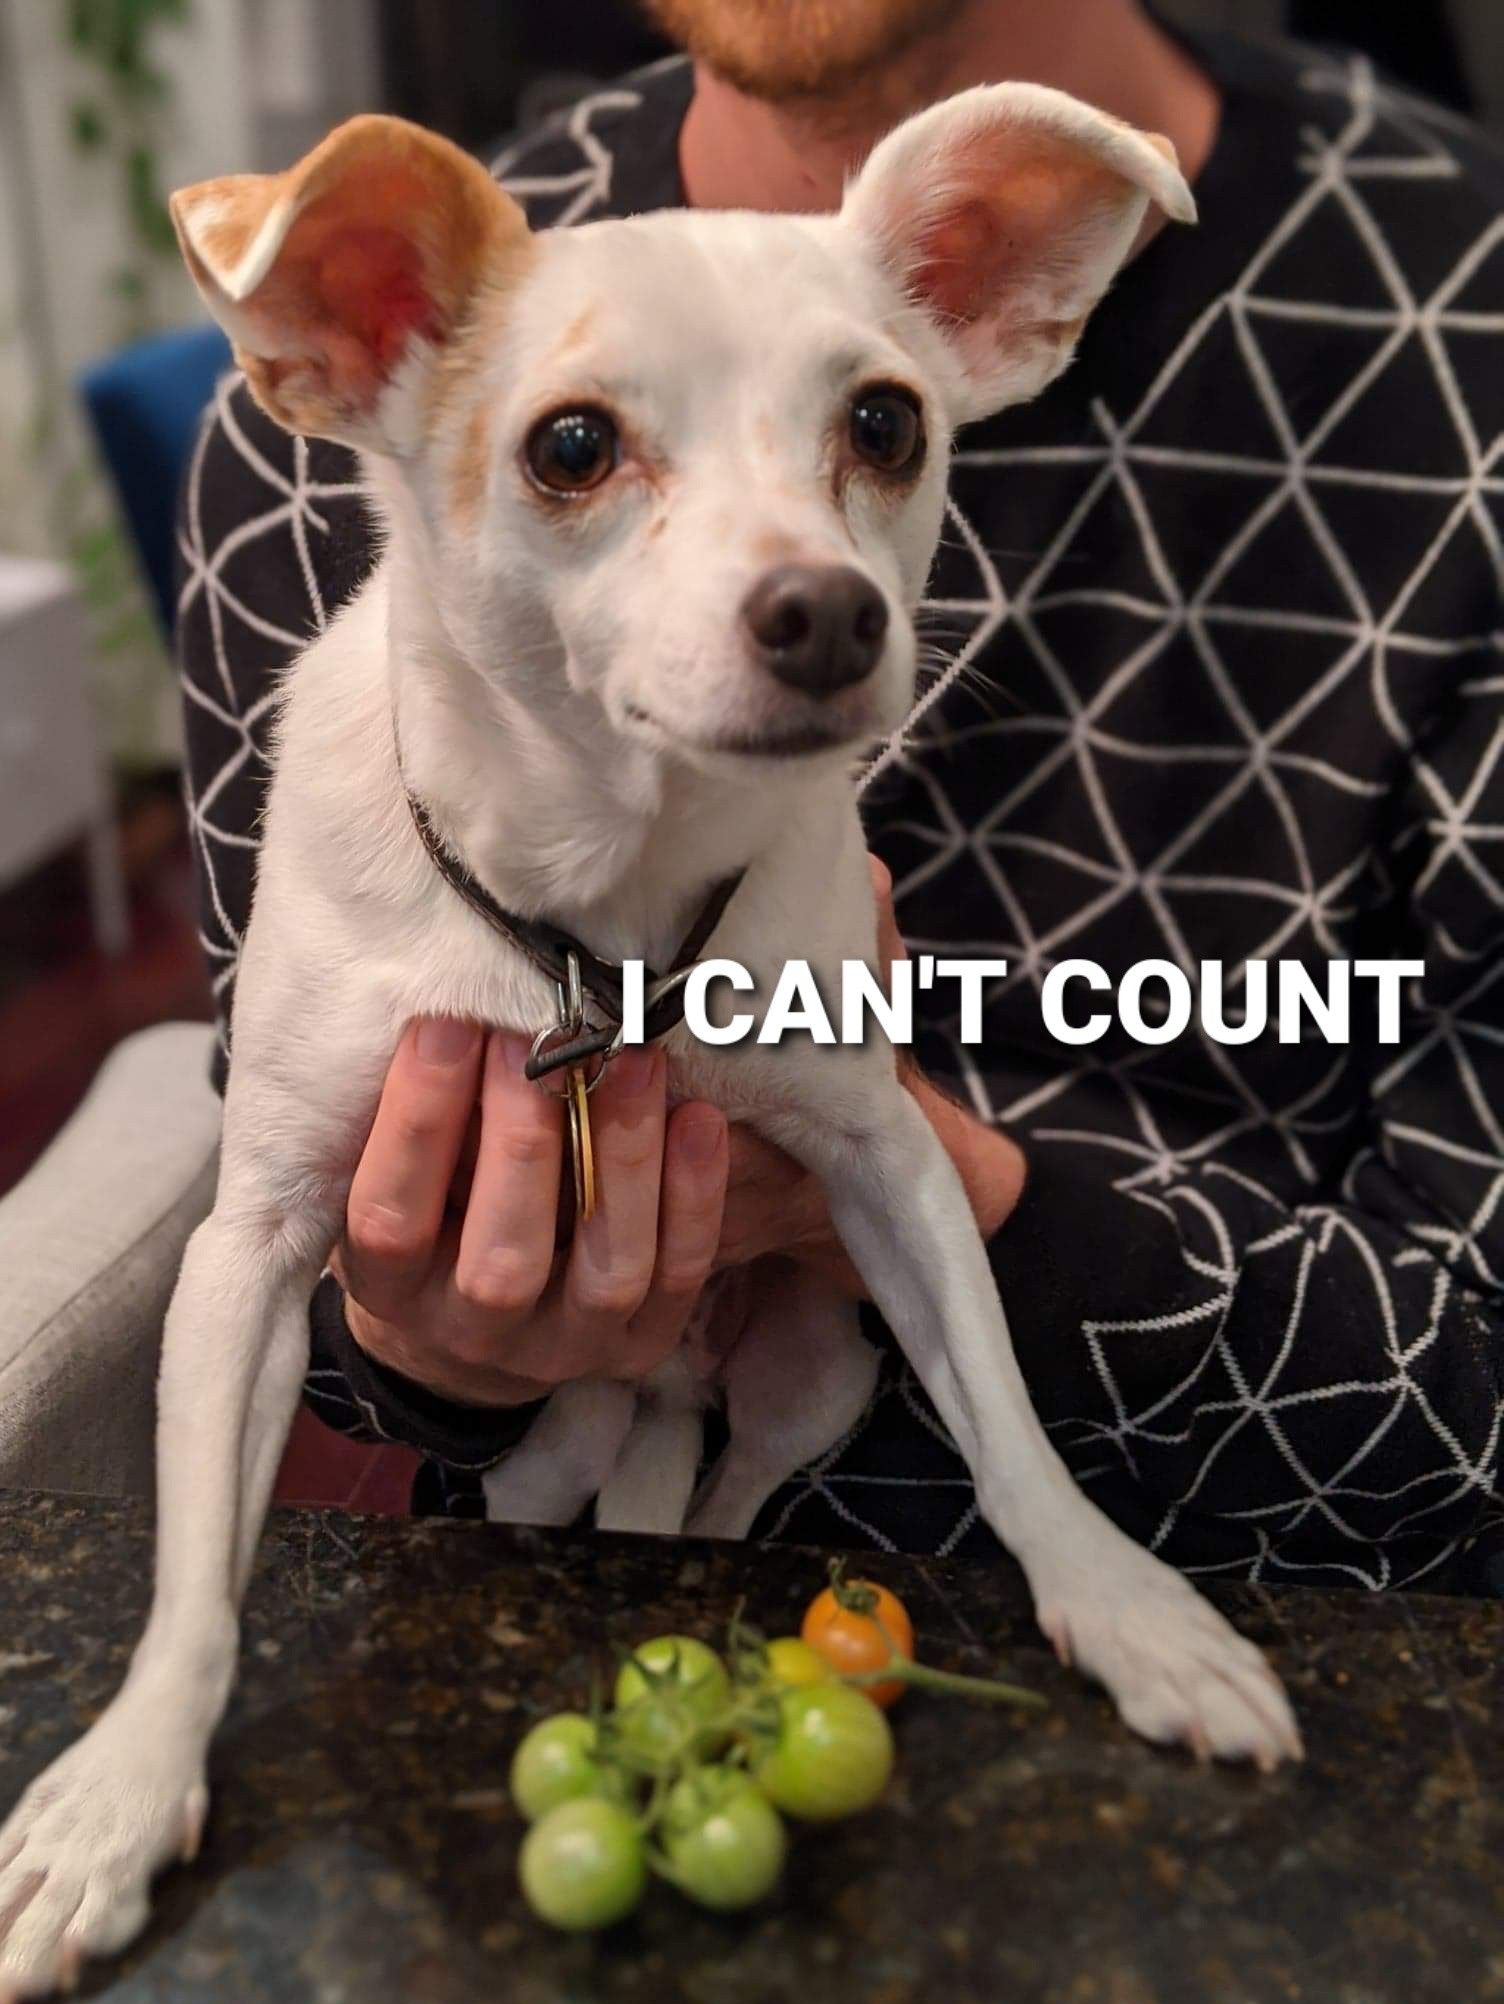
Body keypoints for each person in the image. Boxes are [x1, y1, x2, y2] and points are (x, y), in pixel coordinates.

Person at [176, 0, 1504, 1590]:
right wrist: (429, 1347)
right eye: (581, 455)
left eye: (877, 432)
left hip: (1320, 1602)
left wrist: (913, 1187)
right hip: (567, 1609)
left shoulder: (1468, 335)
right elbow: (309, 1271)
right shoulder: (383, 391)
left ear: (994, 295)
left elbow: (1476, 1396)